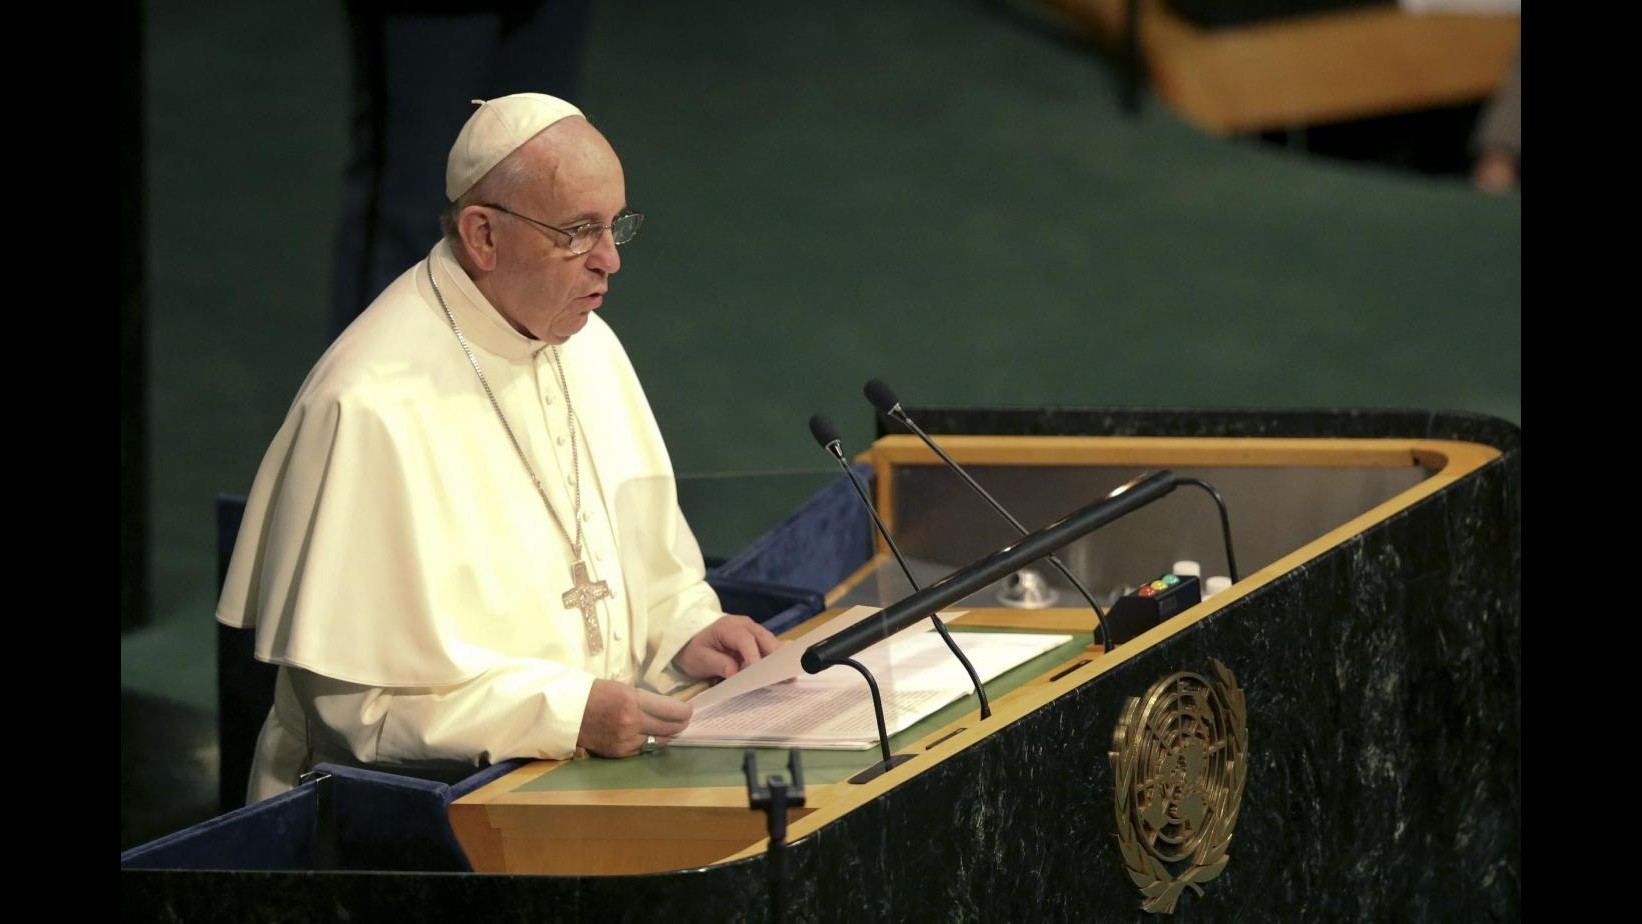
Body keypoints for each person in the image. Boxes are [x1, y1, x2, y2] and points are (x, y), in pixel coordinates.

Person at [218, 93, 780, 803]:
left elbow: (646, 570)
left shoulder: (587, 345)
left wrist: (685, 632)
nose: (609, 261)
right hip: (409, 831)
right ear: (483, 236)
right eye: (579, 232)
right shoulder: (367, 406)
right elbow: (360, 716)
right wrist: (567, 715)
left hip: (580, 791)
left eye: (616, 228)